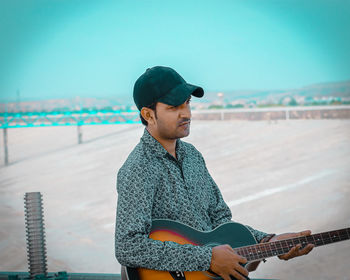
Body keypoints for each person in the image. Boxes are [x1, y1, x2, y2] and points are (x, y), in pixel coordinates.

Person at [115, 66, 314, 280]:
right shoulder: (138, 167)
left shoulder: (192, 156)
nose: (186, 114)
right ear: (148, 114)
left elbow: (221, 221)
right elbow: (128, 246)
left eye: (188, 103)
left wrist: (269, 242)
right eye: (174, 107)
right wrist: (207, 258)